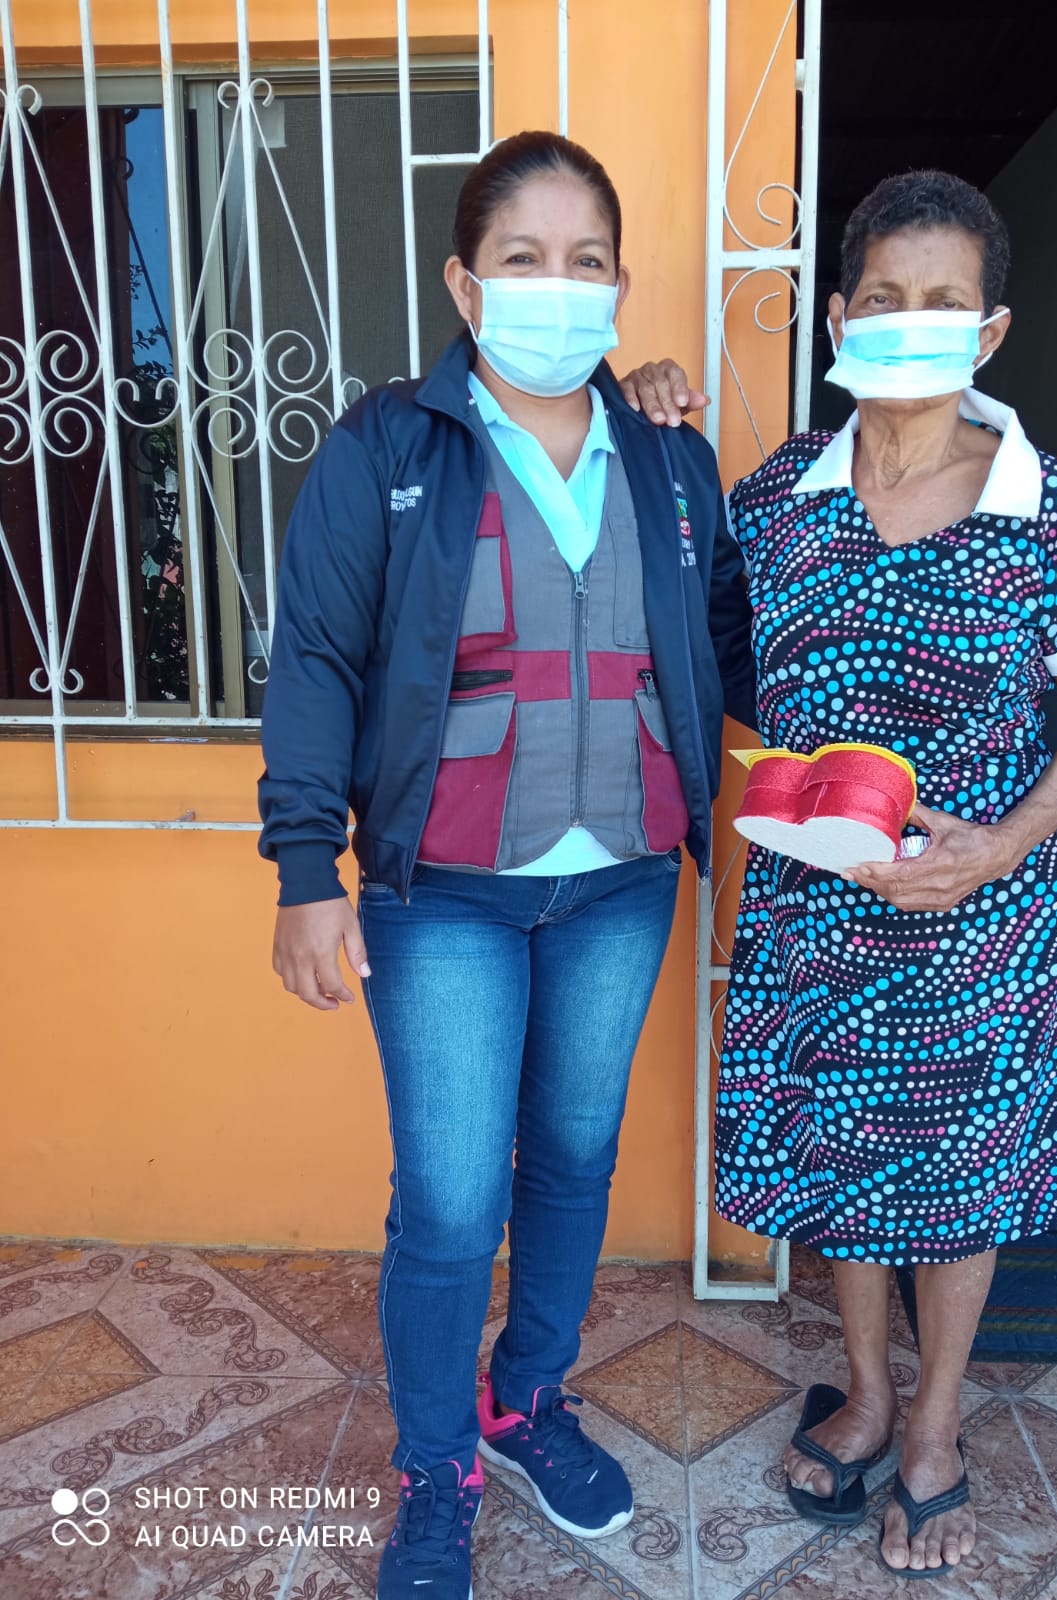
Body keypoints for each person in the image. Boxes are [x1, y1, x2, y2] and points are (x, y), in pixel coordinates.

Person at [258, 130, 755, 1600]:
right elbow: (316, 659)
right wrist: (305, 868)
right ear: (466, 285)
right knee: (453, 1199)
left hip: (624, 881)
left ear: (620, 287)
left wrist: (816, 785)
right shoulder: (387, 450)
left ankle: (525, 1401)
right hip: (447, 893)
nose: (559, 284)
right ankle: (437, 1471)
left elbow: (725, 639)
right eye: (523, 259)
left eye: (587, 260)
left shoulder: (668, 455)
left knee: (576, 1159)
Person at [624, 169, 1057, 1578]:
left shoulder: (1048, 505)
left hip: (986, 920)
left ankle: (935, 1428)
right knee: (849, 1161)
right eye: (886, 297)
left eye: (945, 301)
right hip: (821, 912)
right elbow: (701, 650)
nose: (913, 321)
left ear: (991, 331)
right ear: (842, 317)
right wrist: (644, 411)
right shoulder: (778, 499)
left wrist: (1003, 844)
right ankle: (859, 1393)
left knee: (960, 1182)